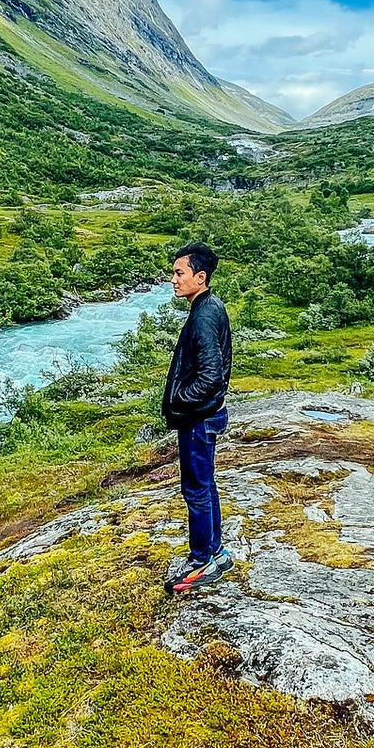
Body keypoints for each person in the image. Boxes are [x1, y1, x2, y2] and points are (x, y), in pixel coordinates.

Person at [161, 241, 233, 594]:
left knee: (195, 490)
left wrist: (177, 401)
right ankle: (216, 552)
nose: (173, 279)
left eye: (179, 273)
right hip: (205, 416)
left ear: (199, 277)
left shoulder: (203, 316)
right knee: (205, 486)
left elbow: (211, 376)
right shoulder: (209, 306)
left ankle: (203, 559)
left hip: (199, 419)